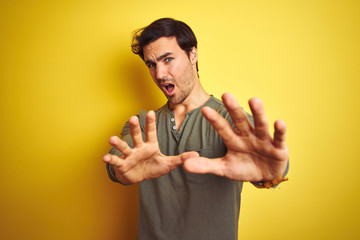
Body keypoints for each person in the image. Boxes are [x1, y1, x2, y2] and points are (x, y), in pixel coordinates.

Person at [103, 18, 289, 240]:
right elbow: (119, 160)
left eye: (168, 59)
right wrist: (120, 171)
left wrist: (273, 172)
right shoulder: (142, 124)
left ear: (192, 55)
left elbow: (268, 162)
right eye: (151, 64)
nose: (160, 74)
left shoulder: (229, 121)